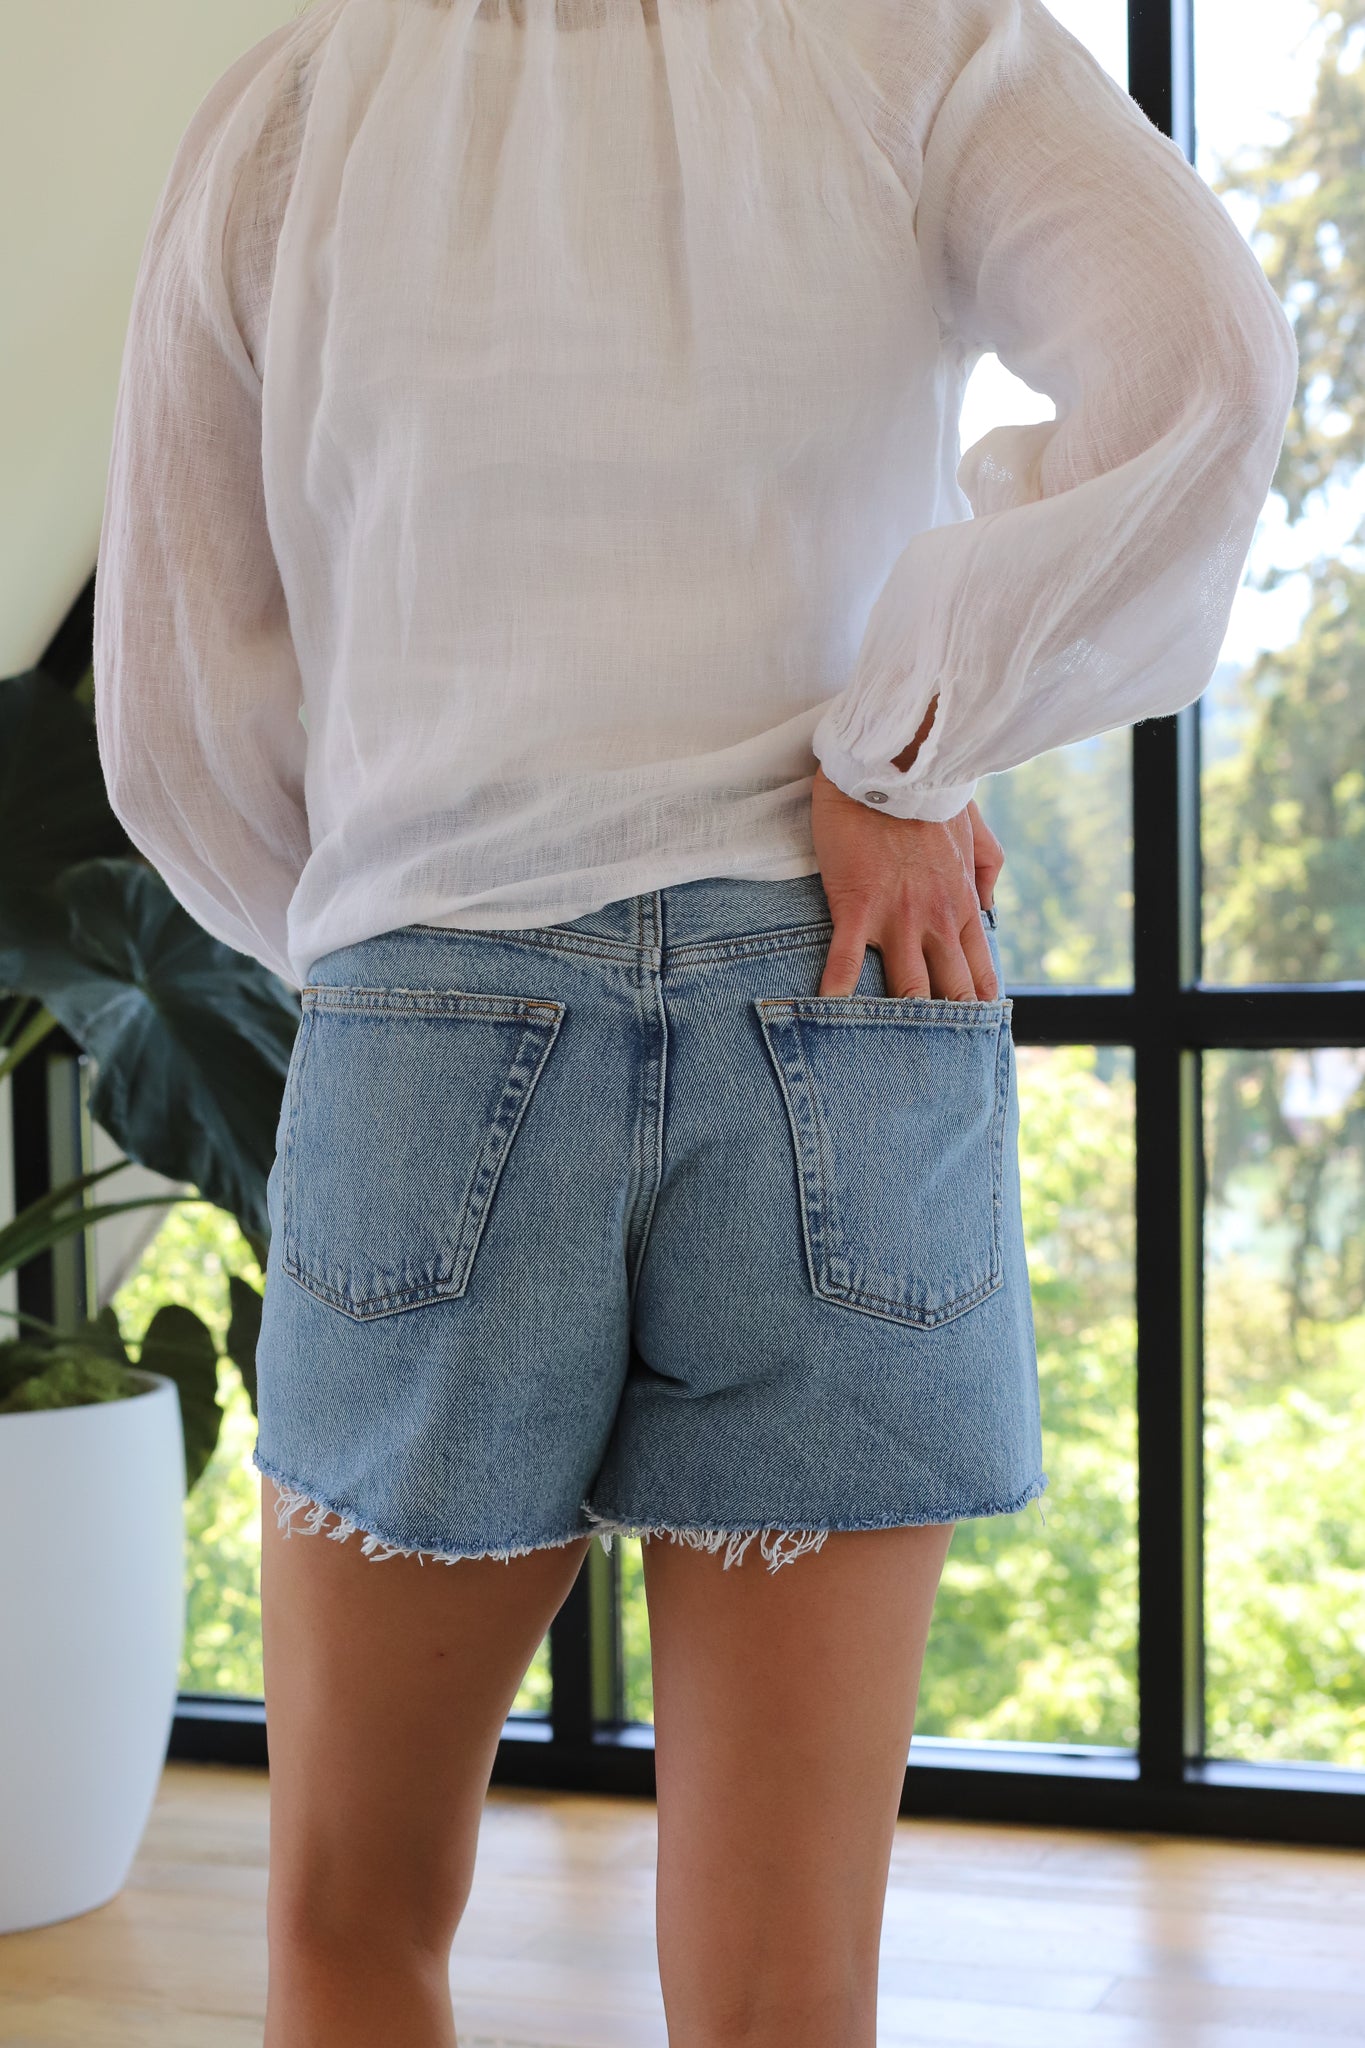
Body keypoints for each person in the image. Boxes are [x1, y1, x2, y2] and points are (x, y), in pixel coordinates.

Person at [91, 0, 1297, 2041]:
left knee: (352, 1920)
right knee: (783, 1992)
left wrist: (391, 944)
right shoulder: (911, 38)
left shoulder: (294, 110)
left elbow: (174, 701)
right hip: (842, 978)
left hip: (435, 1003)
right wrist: (903, 741)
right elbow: (1205, 371)